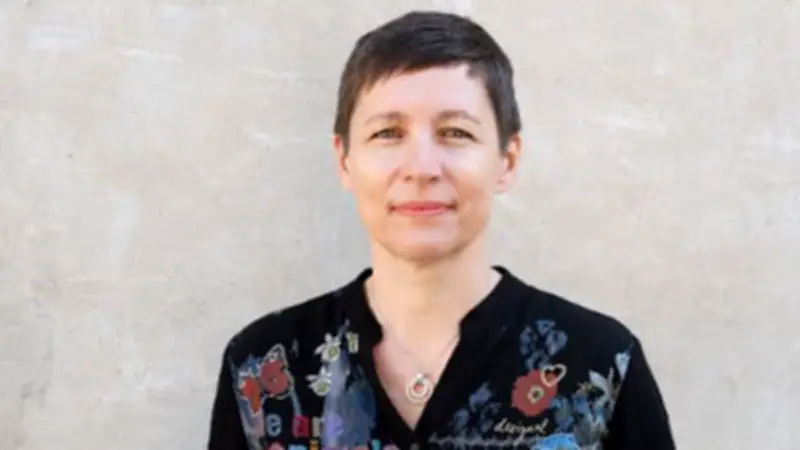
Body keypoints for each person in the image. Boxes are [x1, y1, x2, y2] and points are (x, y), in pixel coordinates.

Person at [208, 10, 675, 450]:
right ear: (345, 160)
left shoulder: (601, 365)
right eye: (388, 133)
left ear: (507, 160)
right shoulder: (263, 367)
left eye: (455, 132)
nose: (421, 167)